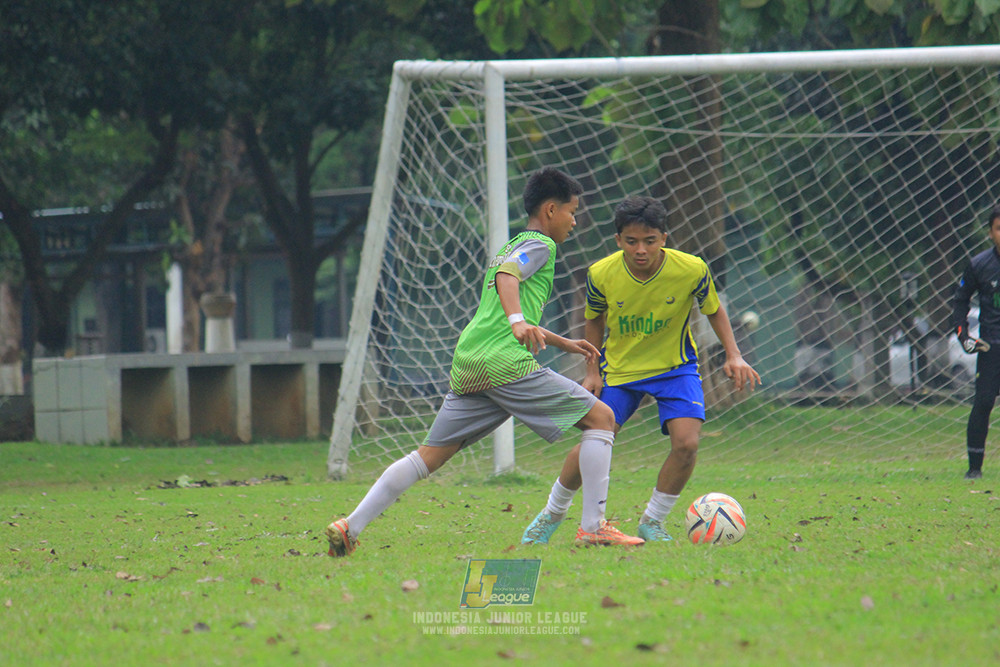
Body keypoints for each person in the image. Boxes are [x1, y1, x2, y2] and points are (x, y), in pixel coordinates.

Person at [325, 168, 644, 557]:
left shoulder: (512, 244)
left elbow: (506, 299)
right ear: (549, 210)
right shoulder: (541, 245)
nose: (574, 221)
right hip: (503, 362)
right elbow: (509, 281)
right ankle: (593, 527)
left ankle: (349, 526)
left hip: (471, 359)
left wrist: (562, 342)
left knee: (429, 456)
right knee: (602, 420)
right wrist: (516, 322)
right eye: (571, 211)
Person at [522, 195, 761, 544]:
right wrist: (593, 372)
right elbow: (594, 320)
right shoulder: (601, 273)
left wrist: (734, 354)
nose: (641, 250)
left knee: (687, 444)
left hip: (676, 368)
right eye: (631, 241)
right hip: (620, 371)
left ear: (664, 238)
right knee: (596, 439)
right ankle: (553, 513)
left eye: (650, 241)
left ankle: (653, 521)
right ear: (618, 240)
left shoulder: (692, 268)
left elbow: (714, 310)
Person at [950, 204, 1000, 480]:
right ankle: (974, 469)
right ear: (991, 232)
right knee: (982, 403)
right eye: (999, 228)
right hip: (992, 347)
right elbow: (960, 301)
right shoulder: (979, 265)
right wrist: (963, 335)